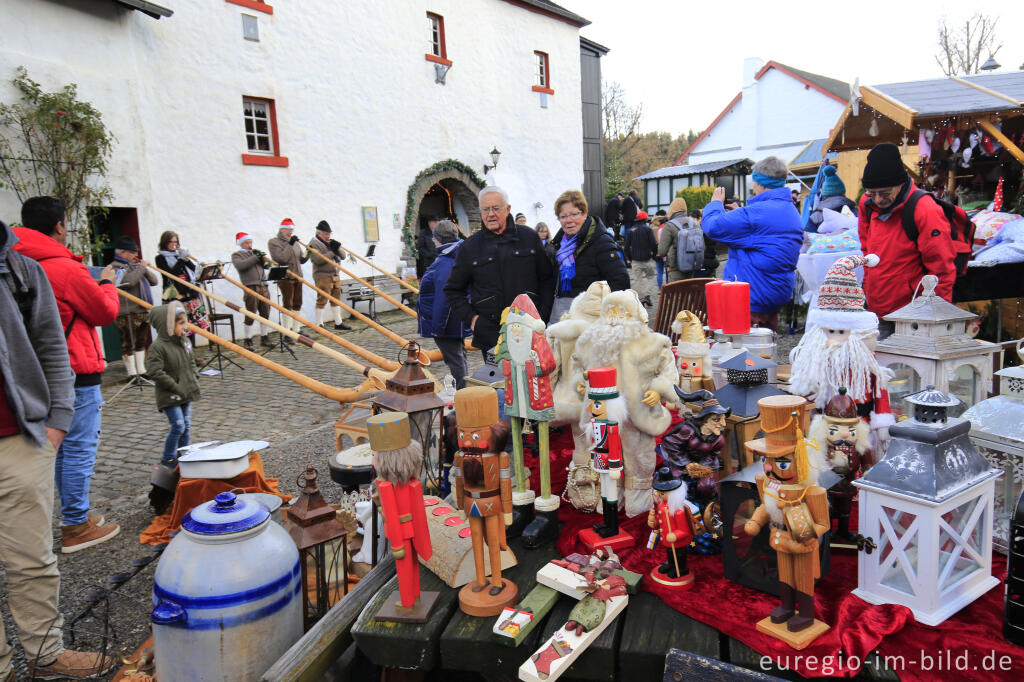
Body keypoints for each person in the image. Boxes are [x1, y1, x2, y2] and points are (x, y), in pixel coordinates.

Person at [0, 218, 116, 681]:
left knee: (31, 558)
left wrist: (56, 423)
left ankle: (46, 654)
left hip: (17, 437)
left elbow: (50, 345)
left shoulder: (20, 269)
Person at [13, 197, 121, 553]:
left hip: (32, 369)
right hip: (73, 366)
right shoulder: (61, 266)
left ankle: (73, 516)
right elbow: (104, 312)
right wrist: (107, 283)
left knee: (57, 448)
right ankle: (75, 525)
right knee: (78, 447)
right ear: (59, 226)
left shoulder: (14, 262)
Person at [443, 186, 554, 354]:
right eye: (485, 209)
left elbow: (547, 279)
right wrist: (473, 320)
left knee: (535, 379)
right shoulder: (469, 247)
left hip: (531, 330)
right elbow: (453, 290)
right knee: (497, 381)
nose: (490, 214)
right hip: (491, 336)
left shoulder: (529, 238)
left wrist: (542, 316)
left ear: (508, 209)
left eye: (496, 208)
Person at [857, 142, 957, 320]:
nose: (878, 199)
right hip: (875, 309)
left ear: (900, 183)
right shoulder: (867, 204)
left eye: (885, 193)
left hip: (912, 315)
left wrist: (939, 318)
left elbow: (941, 270)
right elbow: (867, 252)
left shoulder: (925, 210)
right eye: (872, 193)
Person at [702, 156, 803, 331]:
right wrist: (740, 214)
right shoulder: (790, 209)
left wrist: (715, 204)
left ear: (760, 184)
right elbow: (763, 234)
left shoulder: (755, 214)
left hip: (751, 297)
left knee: (744, 354)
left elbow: (713, 227)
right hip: (774, 293)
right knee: (765, 350)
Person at [545, 189, 630, 322]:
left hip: (592, 320)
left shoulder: (601, 242)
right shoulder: (557, 246)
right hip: (564, 317)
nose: (568, 220)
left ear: (584, 213)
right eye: (563, 216)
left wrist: (598, 310)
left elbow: (620, 281)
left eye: (574, 214)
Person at [145, 302, 201, 467]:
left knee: (187, 425)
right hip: (170, 393)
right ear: (168, 324)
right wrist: (176, 386)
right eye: (181, 323)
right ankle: (168, 457)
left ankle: (183, 454)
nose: (185, 327)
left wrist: (194, 377)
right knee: (178, 425)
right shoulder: (158, 347)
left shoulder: (184, 342)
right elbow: (155, 371)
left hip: (186, 390)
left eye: (185, 322)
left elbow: (191, 361)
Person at [417, 220, 471, 388]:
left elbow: (445, 299)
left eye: (434, 237)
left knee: (456, 361)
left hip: (448, 324)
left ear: (439, 239)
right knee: (459, 358)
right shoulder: (453, 255)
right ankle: (464, 393)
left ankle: (462, 397)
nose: (433, 241)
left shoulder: (445, 262)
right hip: (456, 321)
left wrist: (438, 328)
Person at [109, 236, 158, 381]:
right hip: (126, 311)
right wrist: (141, 267)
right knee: (128, 342)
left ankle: (141, 370)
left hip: (141, 309)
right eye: (132, 252)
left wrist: (144, 268)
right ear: (122, 253)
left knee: (141, 341)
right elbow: (128, 282)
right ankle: (131, 372)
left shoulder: (135, 266)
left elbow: (154, 281)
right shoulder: (115, 266)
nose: (135, 255)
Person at [156, 230, 209, 336]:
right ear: (164, 243)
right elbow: (171, 275)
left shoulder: (179, 255)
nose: (173, 244)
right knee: (179, 326)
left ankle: (190, 351)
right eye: (170, 242)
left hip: (189, 293)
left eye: (175, 242)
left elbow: (194, 270)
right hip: (174, 294)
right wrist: (180, 259)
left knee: (192, 327)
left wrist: (195, 262)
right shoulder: (160, 258)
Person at [306, 220, 352, 331]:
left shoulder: (330, 242)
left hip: (334, 274)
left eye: (329, 234)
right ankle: (319, 324)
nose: (328, 236)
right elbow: (318, 260)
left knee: (336, 299)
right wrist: (332, 251)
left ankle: (338, 322)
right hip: (322, 275)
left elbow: (343, 256)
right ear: (319, 234)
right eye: (326, 234)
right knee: (322, 298)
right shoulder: (313, 244)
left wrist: (338, 248)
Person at [267, 217, 308, 339]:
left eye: (292, 230)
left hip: (298, 275)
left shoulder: (294, 242)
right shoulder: (274, 242)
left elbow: (301, 259)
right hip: (286, 277)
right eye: (288, 230)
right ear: (282, 230)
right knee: (288, 303)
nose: (291, 232)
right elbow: (281, 258)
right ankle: (287, 331)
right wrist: (289, 245)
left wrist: (309, 253)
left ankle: (296, 329)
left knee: (297, 303)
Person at [231, 232, 273, 348]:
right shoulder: (237, 255)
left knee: (265, 312)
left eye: (250, 242)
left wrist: (263, 259)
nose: (249, 245)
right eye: (246, 243)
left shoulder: (254, 253)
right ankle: (248, 339)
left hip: (263, 285)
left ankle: (264, 337)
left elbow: (267, 266)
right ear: (241, 244)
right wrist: (256, 257)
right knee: (251, 312)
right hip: (251, 286)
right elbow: (241, 266)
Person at [806, 165, 858, 233]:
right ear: (843, 194)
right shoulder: (856, 212)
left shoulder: (816, 217)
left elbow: (807, 238)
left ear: (824, 195)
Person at [624, 210, 658, 308]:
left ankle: (641, 298)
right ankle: (647, 295)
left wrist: (630, 259)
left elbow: (626, 248)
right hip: (647, 259)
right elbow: (653, 245)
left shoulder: (630, 231)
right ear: (645, 220)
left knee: (638, 280)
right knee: (651, 277)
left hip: (635, 260)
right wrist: (654, 255)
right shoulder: (648, 230)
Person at [657, 197, 693, 283]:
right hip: (692, 266)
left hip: (675, 269)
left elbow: (662, 251)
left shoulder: (669, 225)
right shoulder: (694, 224)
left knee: (676, 295)